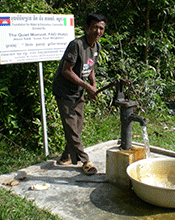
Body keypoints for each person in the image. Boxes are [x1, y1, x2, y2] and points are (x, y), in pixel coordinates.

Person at [52, 13, 107, 175]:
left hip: (78, 91)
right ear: (87, 28)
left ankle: (66, 157)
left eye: (101, 28)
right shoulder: (76, 45)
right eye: (95, 27)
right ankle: (85, 160)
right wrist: (87, 86)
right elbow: (66, 71)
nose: (98, 31)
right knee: (71, 127)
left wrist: (93, 86)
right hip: (65, 91)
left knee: (77, 125)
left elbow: (91, 68)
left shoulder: (96, 47)